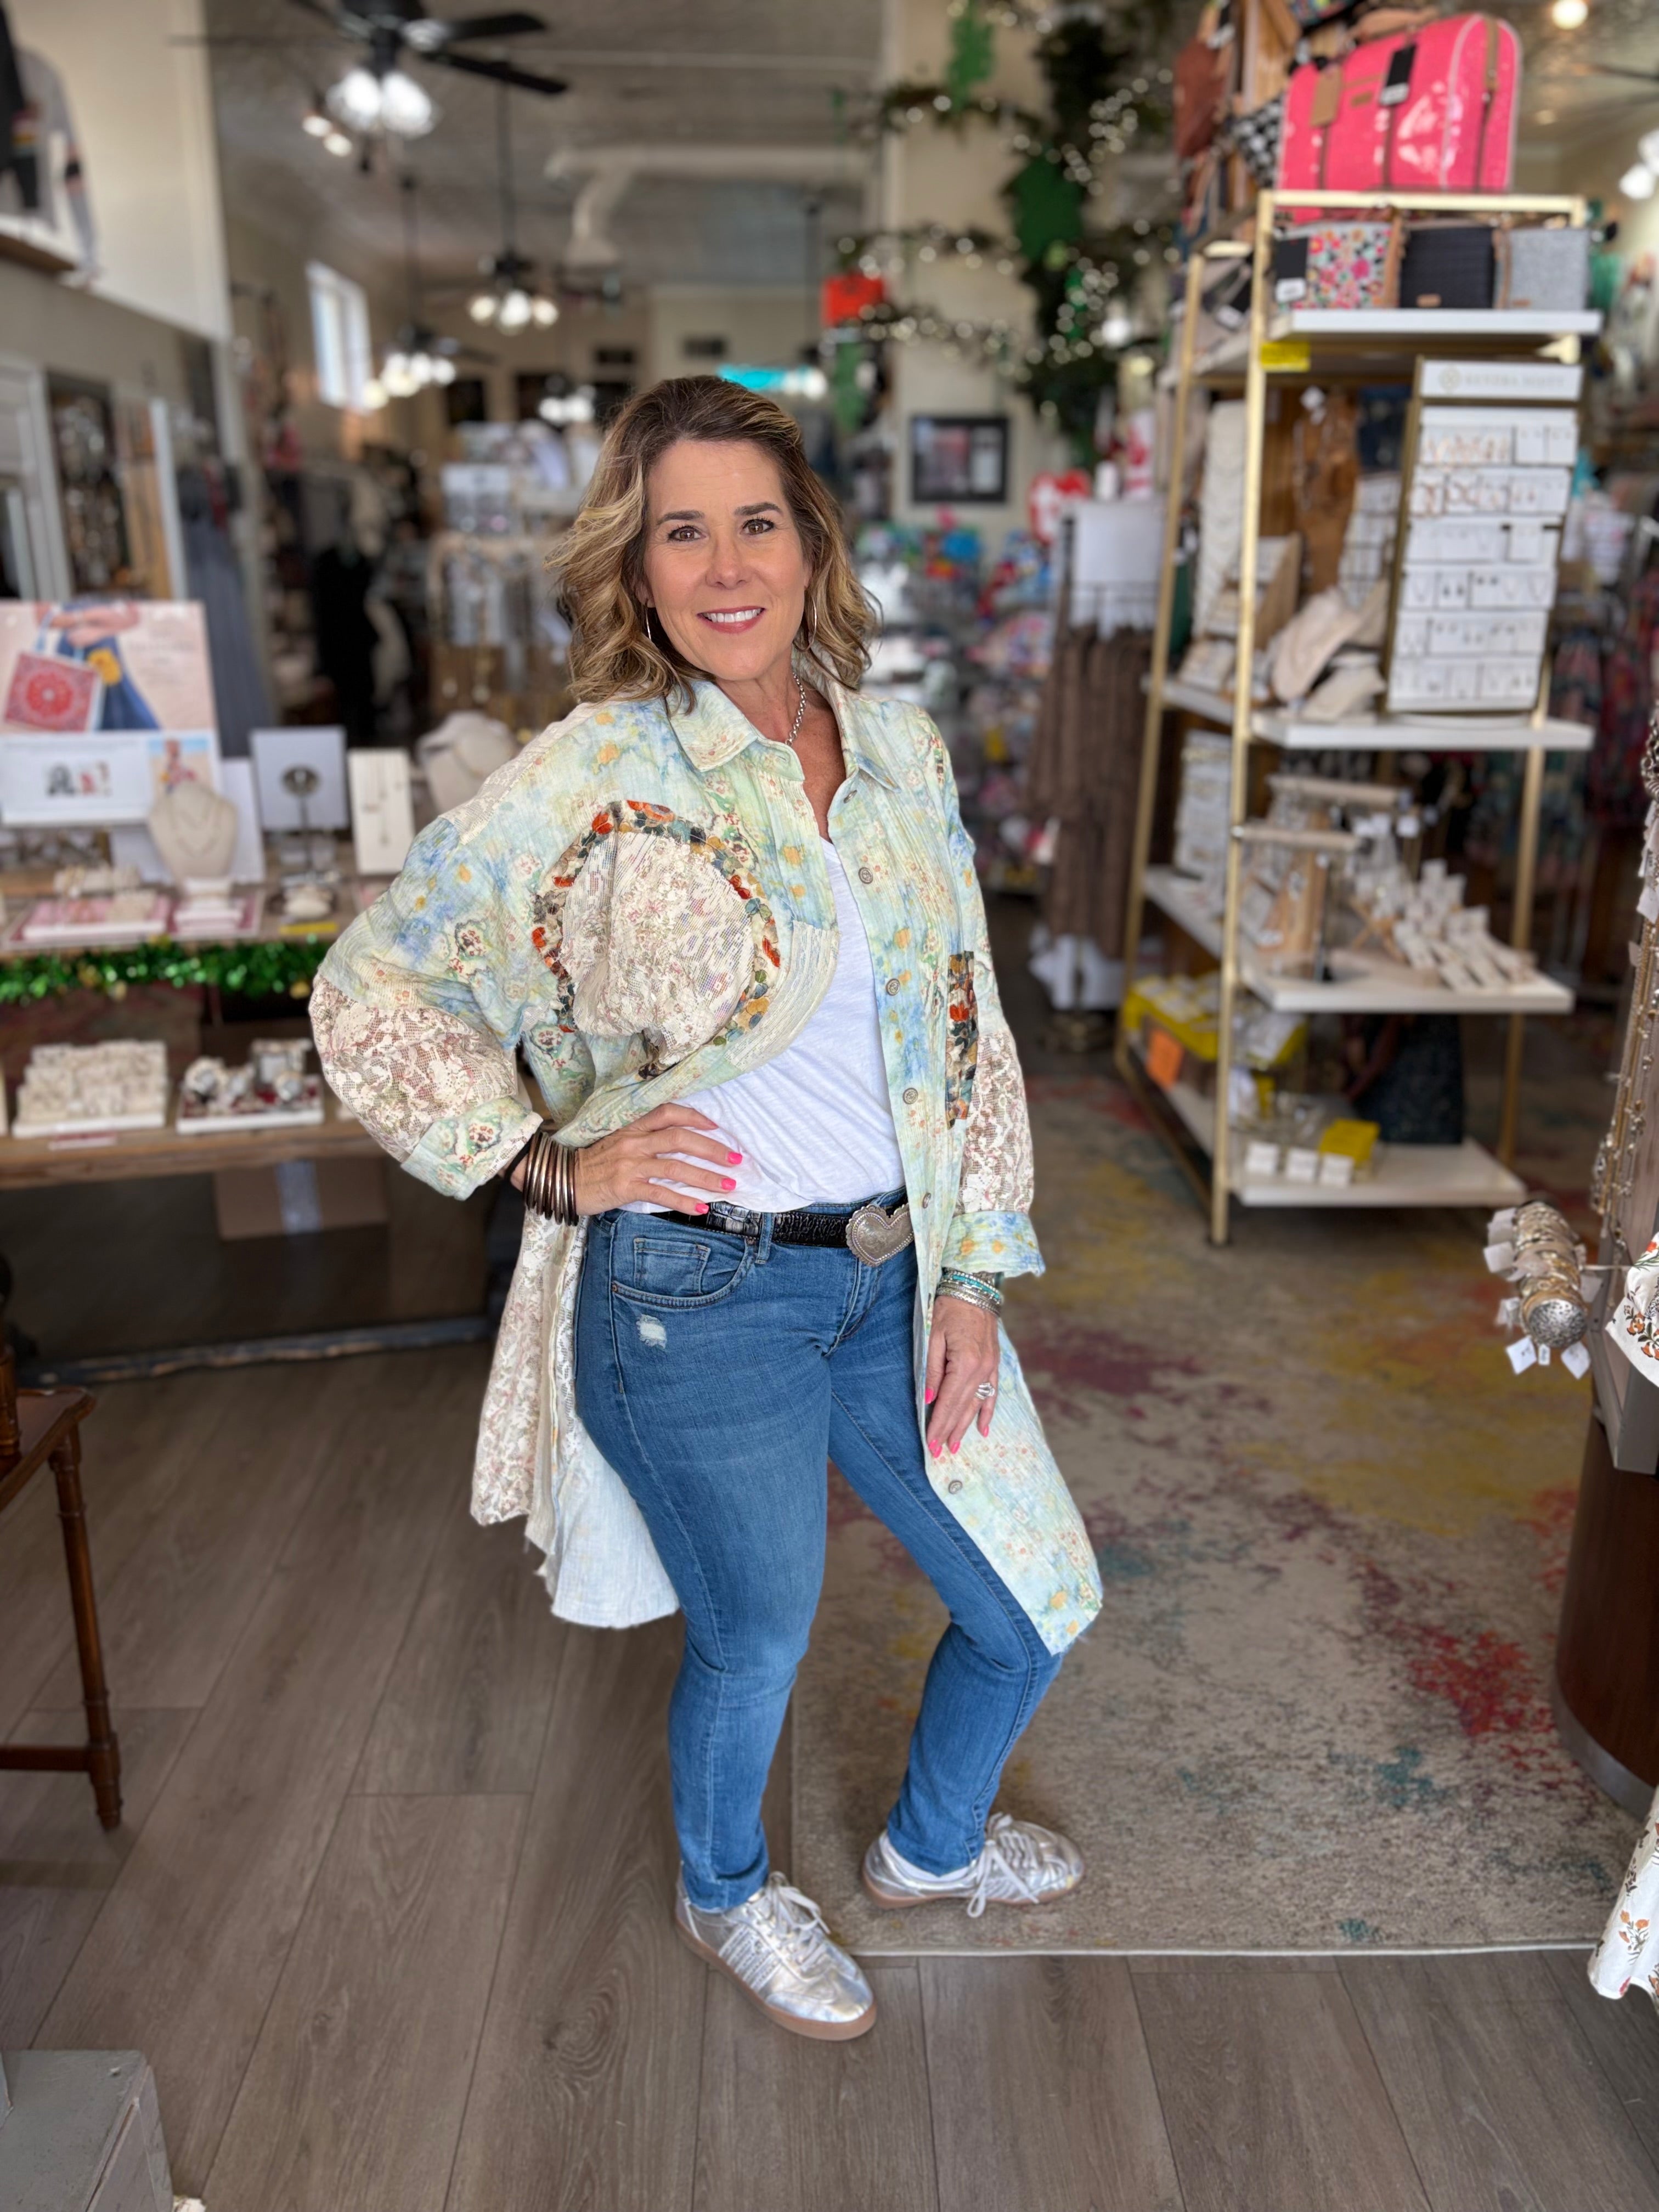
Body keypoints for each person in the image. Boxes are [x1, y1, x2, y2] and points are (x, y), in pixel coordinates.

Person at [312, 377, 1102, 2043]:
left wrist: (977, 1278)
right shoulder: (594, 774)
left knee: (1034, 1595)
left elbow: (965, 1020)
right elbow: (374, 985)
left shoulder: (896, 744)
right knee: (758, 1635)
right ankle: (727, 1890)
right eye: (685, 531)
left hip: (900, 1276)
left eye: (759, 522)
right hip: (695, 1290)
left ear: (812, 545)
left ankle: (928, 1850)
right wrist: (545, 1158)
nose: (726, 564)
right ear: (640, 567)